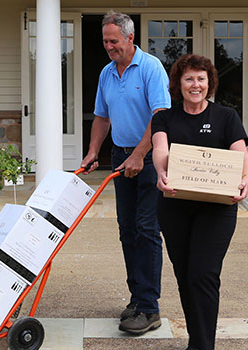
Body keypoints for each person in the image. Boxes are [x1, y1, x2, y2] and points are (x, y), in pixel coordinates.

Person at [151, 54, 248, 350]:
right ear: (178, 84)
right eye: (189, 79)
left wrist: (244, 179)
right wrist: (160, 171)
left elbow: (242, 156)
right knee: (185, 276)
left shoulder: (226, 117)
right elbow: (160, 148)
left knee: (203, 274)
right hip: (175, 206)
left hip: (217, 209)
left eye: (201, 79)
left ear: (210, 83)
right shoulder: (164, 117)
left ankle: (203, 346)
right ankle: (197, 340)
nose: (195, 85)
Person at [80, 10, 171, 335]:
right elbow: (102, 117)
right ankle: (137, 298)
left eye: (113, 41)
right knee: (127, 230)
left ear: (130, 38)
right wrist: (93, 152)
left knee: (147, 229)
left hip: (149, 158)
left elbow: (160, 116)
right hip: (122, 156)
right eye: (105, 41)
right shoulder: (107, 73)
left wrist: (139, 153)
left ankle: (150, 308)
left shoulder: (150, 68)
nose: (108, 46)